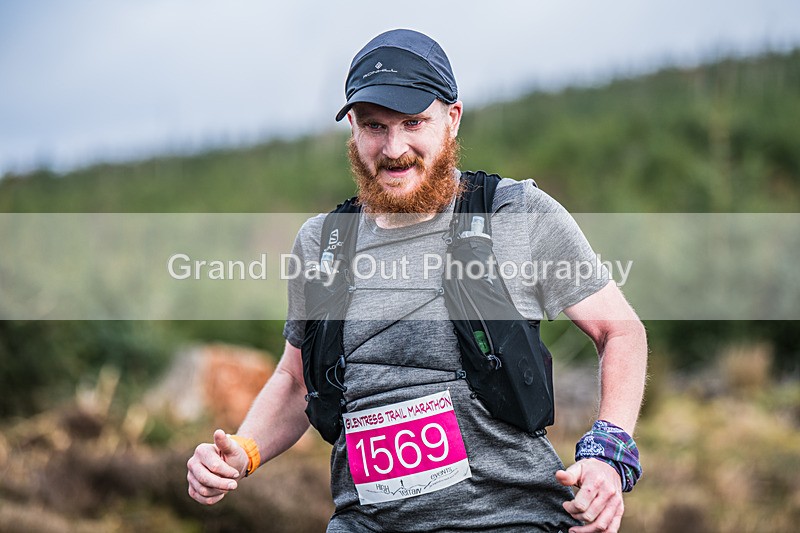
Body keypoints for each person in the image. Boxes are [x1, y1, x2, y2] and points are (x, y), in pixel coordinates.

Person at [187, 29, 647, 533]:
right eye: (374, 127)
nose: (394, 147)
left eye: (413, 122)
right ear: (354, 134)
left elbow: (620, 331)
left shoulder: (515, 213)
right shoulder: (323, 243)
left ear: (452, 120)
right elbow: (295, 380)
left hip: (511, 519)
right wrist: (241, 453)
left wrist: (608, 453)